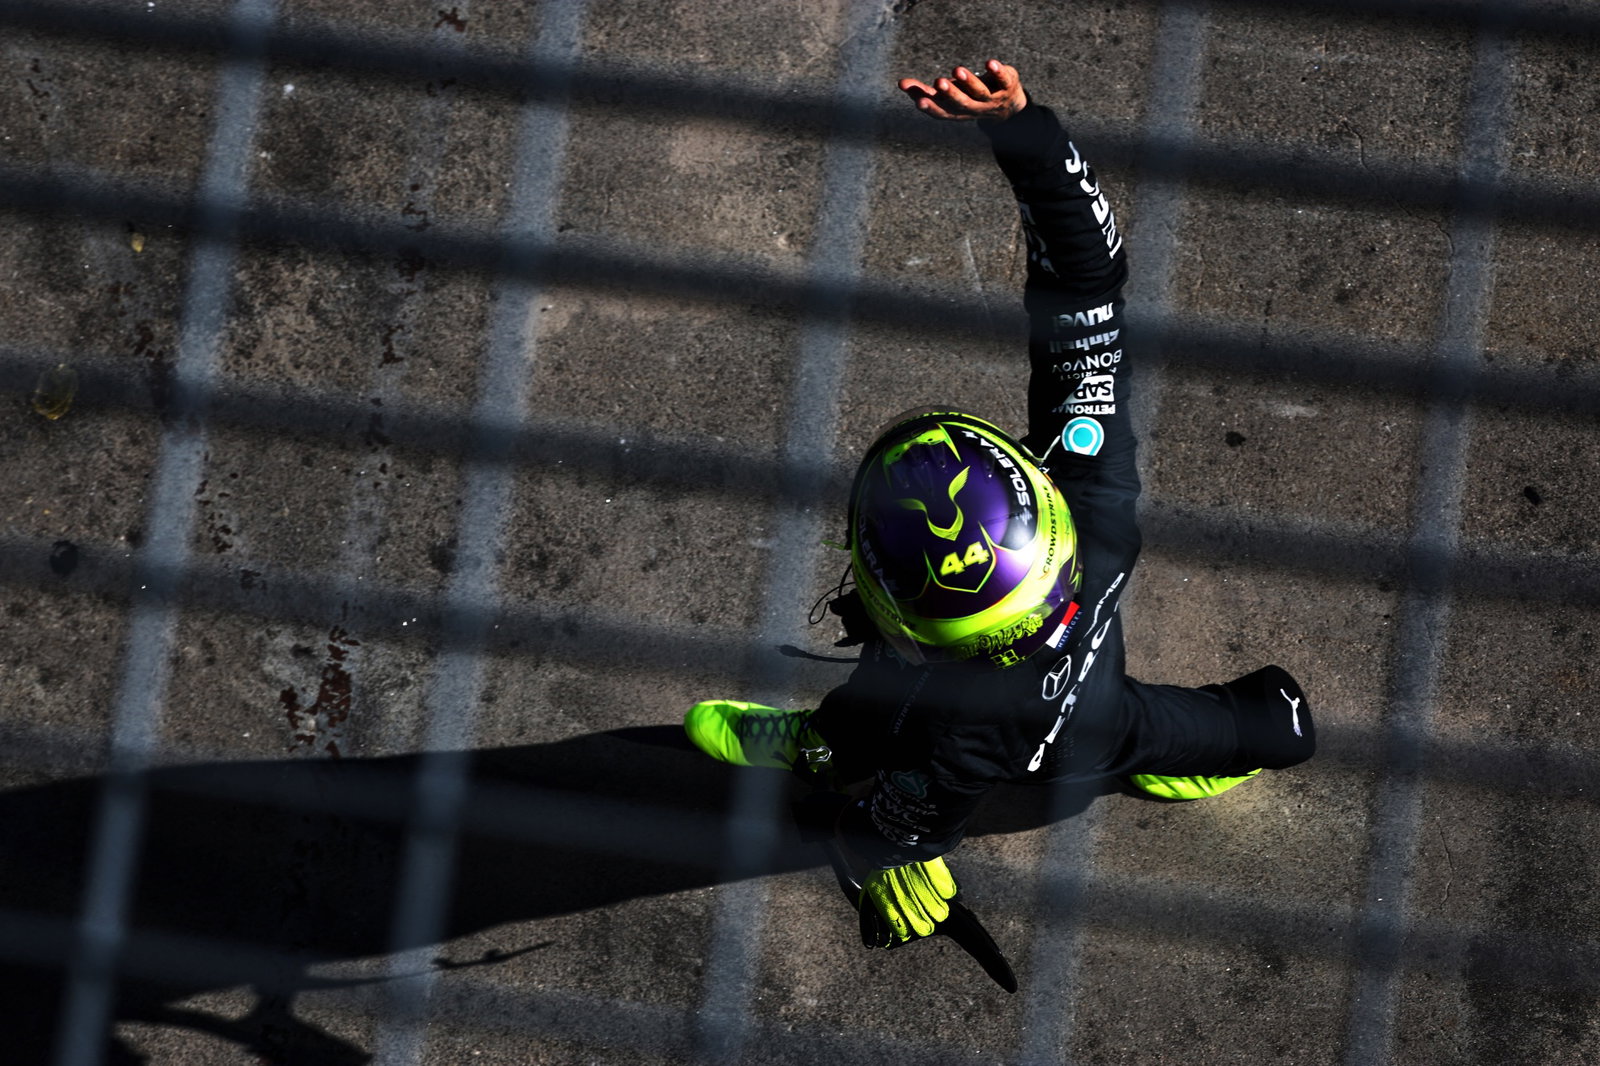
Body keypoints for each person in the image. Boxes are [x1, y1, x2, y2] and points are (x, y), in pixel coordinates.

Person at [685, 60, 1316, 947]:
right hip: (1078, 707)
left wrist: (879, 844)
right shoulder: (1091, 497)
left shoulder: (962, 732)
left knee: (904, 725)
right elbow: (1089, 289)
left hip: (1036, 746)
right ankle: (1236, 744)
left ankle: (829, 745)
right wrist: (1024, 130)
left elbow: (918, 815)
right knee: (1247, 730)